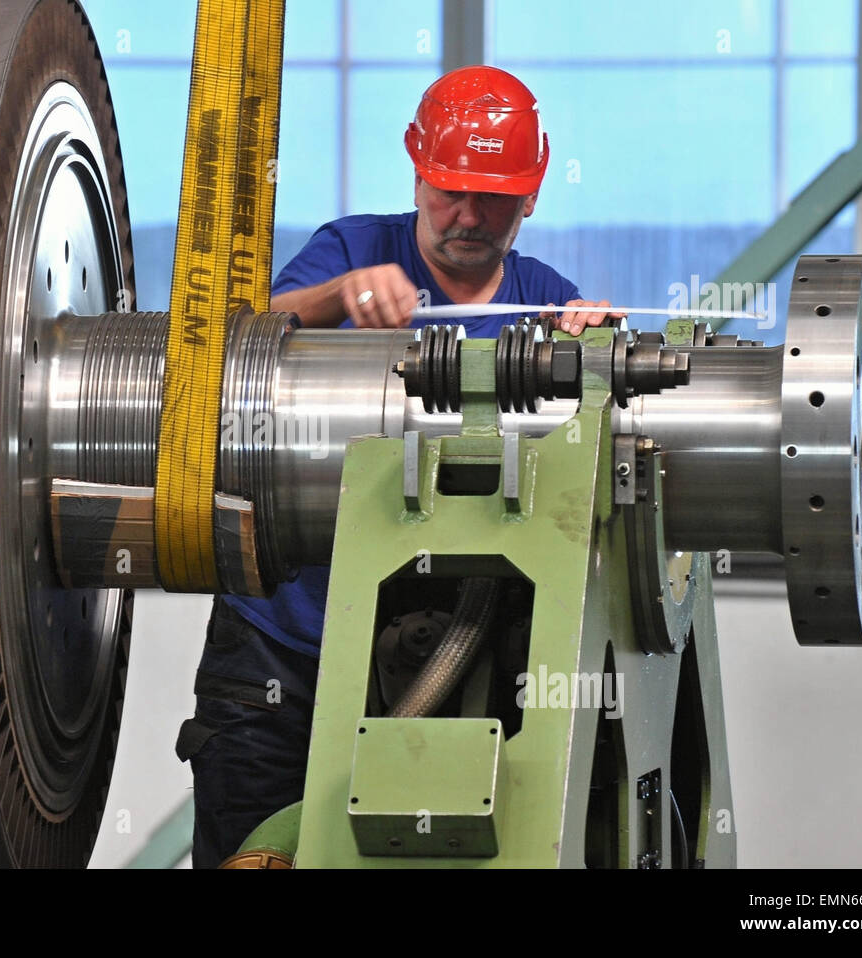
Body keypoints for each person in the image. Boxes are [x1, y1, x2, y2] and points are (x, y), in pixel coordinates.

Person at [175, 65, 625, 868]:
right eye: (450, 189)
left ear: (532, 196)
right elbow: (229, 340)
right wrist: (340, 296)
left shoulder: (548, 303)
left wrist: (594, 349)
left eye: (494, 196)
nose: (468, 214)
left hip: (439, 654)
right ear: (417, 171)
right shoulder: (353, 249)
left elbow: (580, 466)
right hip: (283, 648)